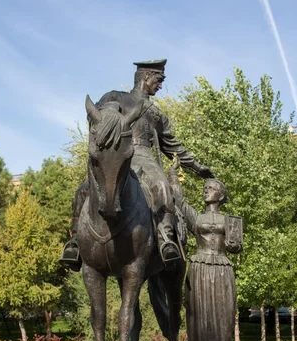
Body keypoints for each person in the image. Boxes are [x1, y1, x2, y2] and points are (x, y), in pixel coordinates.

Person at [60, 59, 215, 271]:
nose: (160, 85)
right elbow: (97, 118)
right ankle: (76, 242)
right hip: (115, 153)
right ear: (145, 77)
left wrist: (198, 168)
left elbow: (174, 147)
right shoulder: (115, 97)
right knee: (83, 190)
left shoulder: (157, 114)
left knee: (161, 187)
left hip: (144, 156)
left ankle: (165, 240)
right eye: (158, 80)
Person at [168, 162, 243, 341]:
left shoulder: (229, 221)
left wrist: (234, 245)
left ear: (220, 195)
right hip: (199, 269)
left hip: (221, 270)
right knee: (199, 316)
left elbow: (237, 246)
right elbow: (179, 202)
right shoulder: (197, 219)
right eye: (205, 188)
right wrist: (173, 175)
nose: (206, 190)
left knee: (223, 316)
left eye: (211, 188)